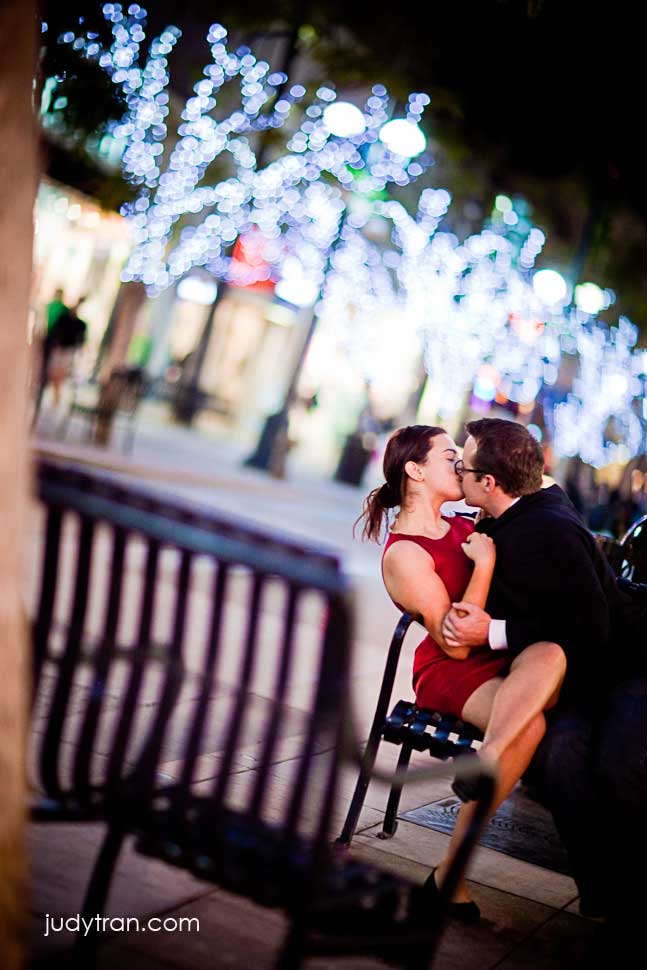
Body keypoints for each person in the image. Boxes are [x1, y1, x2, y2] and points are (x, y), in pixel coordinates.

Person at [441, 417, 647, 934]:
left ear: (491, 483)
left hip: (626, 667)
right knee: (558, 759)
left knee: (619, 764)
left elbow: (592, 627)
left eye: (464, 468)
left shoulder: (546, 529)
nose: (459, 474)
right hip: (577, 673)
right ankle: (604, 895)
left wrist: (493, 632)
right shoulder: (513, 512)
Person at [357, 425, 567, 921]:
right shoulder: (405, 552)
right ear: (414, 471)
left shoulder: (462, 521)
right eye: (449, 454)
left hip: (497, 660)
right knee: (530, 723)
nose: (458, 463)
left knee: (553, 654)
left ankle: (484, 767)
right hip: (451, 671)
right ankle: (451, 876)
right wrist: (485, 566)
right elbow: (453, 643)